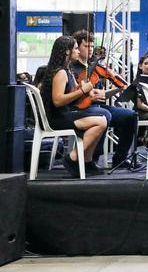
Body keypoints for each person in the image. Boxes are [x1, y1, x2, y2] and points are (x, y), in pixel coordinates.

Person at [40, 36, 110, 177]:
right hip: (58, 117)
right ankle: (73, 158)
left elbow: (71, 96)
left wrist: (84, 91)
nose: (78, 51)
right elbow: (58, 101)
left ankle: (87, 161)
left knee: (102, 119)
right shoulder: (60, 73)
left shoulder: (66, 70)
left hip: (65, 113)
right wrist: (82, 91)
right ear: (67, 51)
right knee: (101, 121)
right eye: (76, 49)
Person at [70, 30, 137, 171]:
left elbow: (103, 96)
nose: (90, 50)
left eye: (91, 46)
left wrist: (119, 88)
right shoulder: (72, 69)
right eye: (86, 46)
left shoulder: (96, 67)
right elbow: (72, 95)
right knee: (103, 115)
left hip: (98, 106)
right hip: (81, 108)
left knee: (131, 116)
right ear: (77, 48)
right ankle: (91, 159)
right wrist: (89, 96)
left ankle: (120, 158)